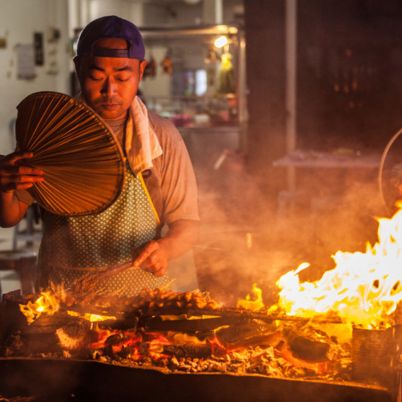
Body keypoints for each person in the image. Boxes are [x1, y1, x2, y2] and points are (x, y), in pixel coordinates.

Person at [0, 16, 199, 297]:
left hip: (141, 303)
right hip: (63, 299)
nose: (110, 90)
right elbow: (9, 217)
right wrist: (6, 184)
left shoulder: (161, 138)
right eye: (96, 76)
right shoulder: (52, 129)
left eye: (122, 76)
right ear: (78, 68)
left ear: (141, 71)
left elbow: (187, 225)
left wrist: (166, 248)